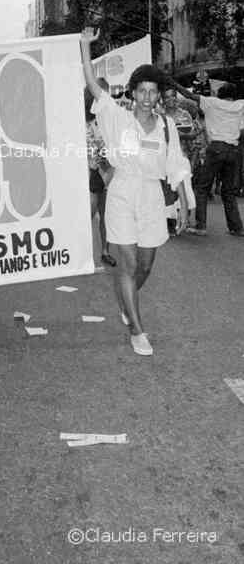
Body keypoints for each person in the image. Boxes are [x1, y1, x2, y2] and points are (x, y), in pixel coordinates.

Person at [81, 28, 189, 356]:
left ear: (158, 96)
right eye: (141, 91)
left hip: (153, 198)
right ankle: (137, 330)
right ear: (132, 93)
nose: (146, 97)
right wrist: (86, 47)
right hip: (122, 193)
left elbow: (176, 164)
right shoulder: (117, 117)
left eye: (152, 92)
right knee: (127, 265)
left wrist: (184, 203)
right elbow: (92, 85)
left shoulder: (167, 127)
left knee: (145, 266)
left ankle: (128, 301)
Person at [169, 79, 244, 236]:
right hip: (234, 150)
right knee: (228, 192)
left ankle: (201, 226)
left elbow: (187, 94)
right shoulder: (240, 105)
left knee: (202, 188)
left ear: (220, 94)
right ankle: (236, 227)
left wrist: (172, 83)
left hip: (216, 149)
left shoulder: (211, 102)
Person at [85, 83, 116, 267]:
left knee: (107, 216)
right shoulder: (82, 120)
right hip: (91, 173)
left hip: (110, 172)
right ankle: (81, 252)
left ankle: (105, 251)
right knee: (89, 213)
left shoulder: (110, 119)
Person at [160, 86, 197, 234]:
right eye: (167, 97)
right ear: (162, 100)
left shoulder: (185, 114)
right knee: (168, 189)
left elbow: (193, 133)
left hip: (183, 157)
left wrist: (176, 134)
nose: (171, 99)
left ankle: (184, 218)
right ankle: (170, 221)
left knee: (185, 188)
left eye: (173, 96)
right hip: (165, 159)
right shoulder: (159, 116)